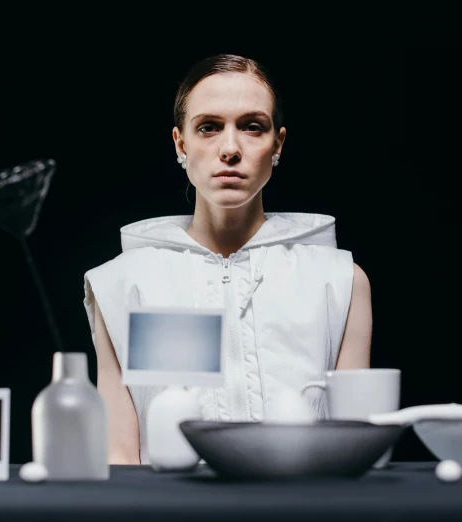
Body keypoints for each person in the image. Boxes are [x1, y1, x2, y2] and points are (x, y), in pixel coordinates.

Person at [83, 54, 372, 465]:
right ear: (181, 144)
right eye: (209, 128)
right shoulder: (124, 284)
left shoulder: (340, 280)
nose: (230, 149)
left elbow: (353, 445)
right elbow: (120, 454)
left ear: (278, 144)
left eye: (252, 127)